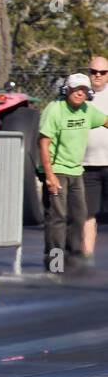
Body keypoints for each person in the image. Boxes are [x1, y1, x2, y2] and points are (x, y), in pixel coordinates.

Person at [39, 73, 107, 271]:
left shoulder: (87, 110)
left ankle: (72, 257)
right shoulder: (55, 110)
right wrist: (49, 175)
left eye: (84, 90)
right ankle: (54, 262)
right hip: (57, 170)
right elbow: (43, 143)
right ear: (66, 90)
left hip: (77, 171)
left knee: (79, 216)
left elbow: (105, 121)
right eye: (76, 89)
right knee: (57, 217)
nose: (80, 93)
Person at [83, 57, 108, 253]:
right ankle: (86, 260)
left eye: (102, 72)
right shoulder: (80, 95)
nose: (97, 75)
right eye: (94, 71)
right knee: (87, 215)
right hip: (87, 166)